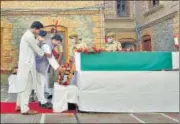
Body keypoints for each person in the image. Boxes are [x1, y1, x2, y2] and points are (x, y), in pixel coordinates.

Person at [15, 21, 51, 115]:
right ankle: (25, 109)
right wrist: (46, 54)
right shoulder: (29, 36)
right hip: (27, 66)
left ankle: (19, 105)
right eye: (39, 30)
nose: (39, 32)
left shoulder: (29, 35)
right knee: (27, 87)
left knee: (23, 86)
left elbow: (34, 44)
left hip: (26, 64)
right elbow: (36, 49)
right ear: (36, 28)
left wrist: (39, 40)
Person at [35, 31, 62, 108]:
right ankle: (42, 102)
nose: (58, 44)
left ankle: (41, 101)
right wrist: (57, 67)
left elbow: (50, 56)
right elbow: (50, 57)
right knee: (40, 84)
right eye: (58, 42)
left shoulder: (49, 45)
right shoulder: (47, 45)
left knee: (41, 84)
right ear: (55, 40)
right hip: (39, 66)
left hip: (41, 66)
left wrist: (57, 66)